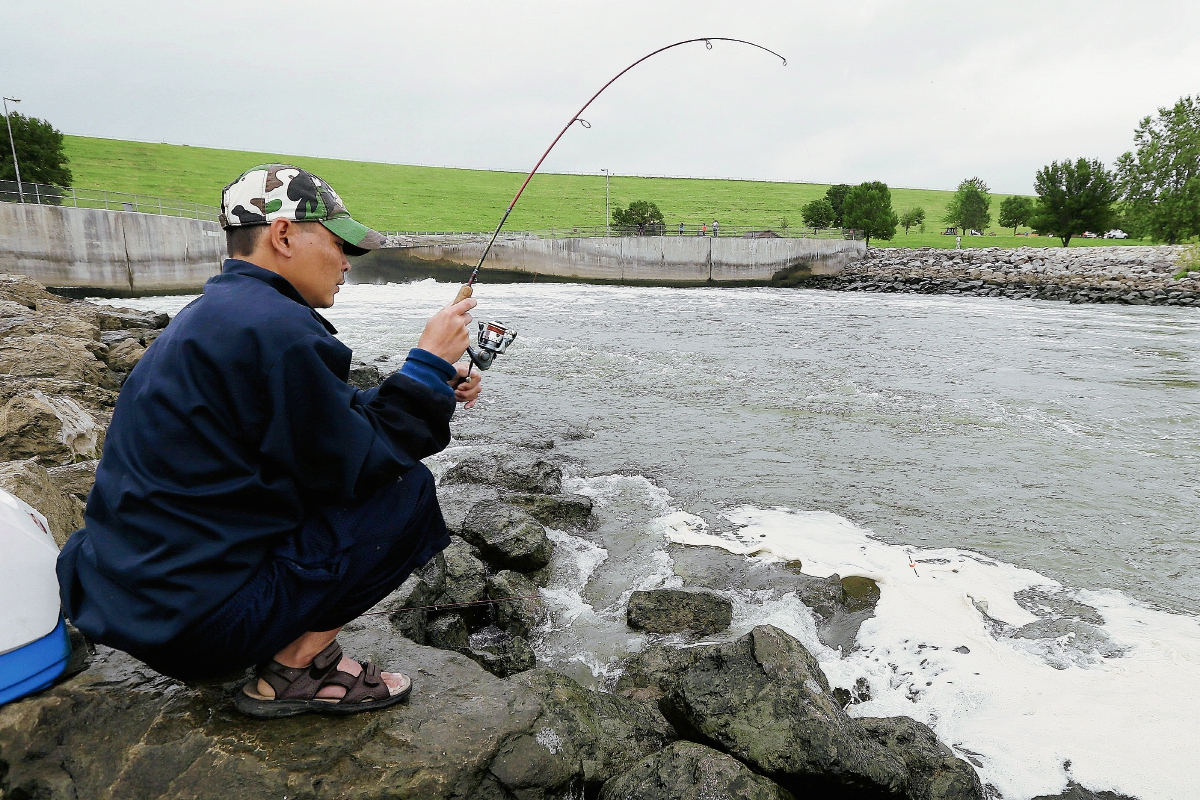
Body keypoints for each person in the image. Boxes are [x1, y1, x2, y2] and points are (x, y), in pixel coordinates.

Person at [56, 164, 482, 719]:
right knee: (406, 491)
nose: (347, 262)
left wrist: (427, 383)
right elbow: (361, 466)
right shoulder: (277, 329)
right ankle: (296, 671)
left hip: (131, 605)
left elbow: (321, 426)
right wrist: (424, 368)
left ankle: (283, 653)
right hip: (201, 629)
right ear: (284, 236)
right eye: (337, 243)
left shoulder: (218, 316)